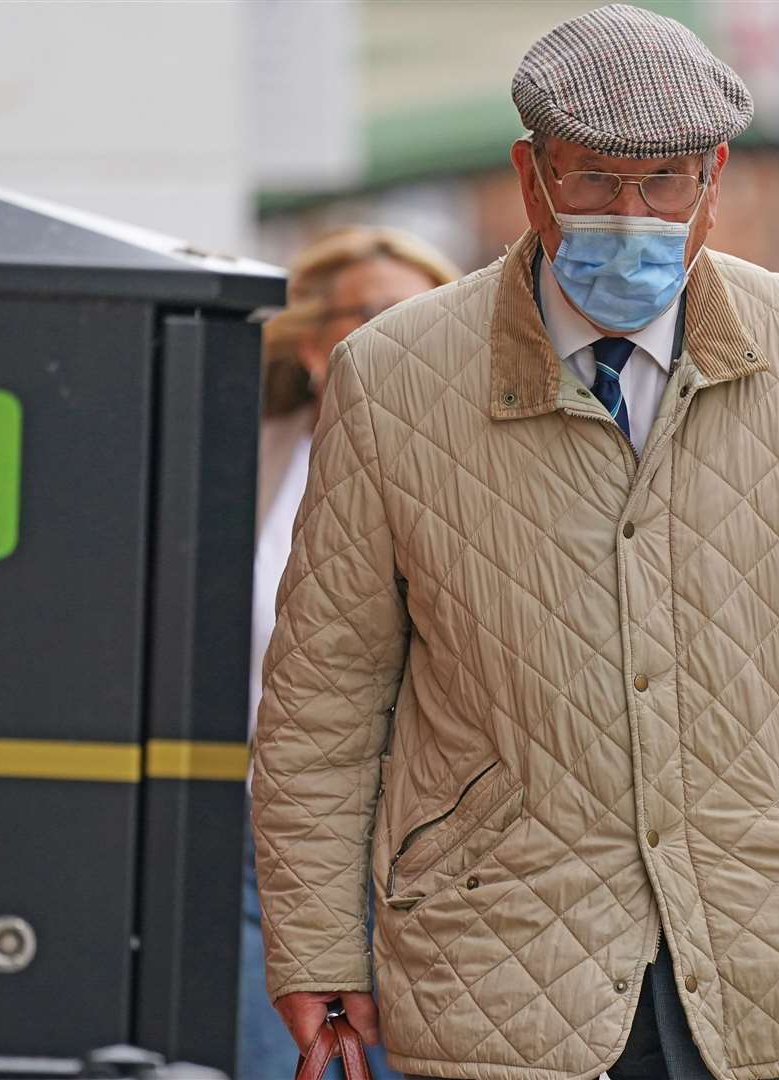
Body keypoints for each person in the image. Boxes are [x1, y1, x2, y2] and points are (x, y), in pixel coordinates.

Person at [253, 5, 779, 1078]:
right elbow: (328, 684)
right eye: (596, 180)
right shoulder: (393, 374)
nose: (632, 214)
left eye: (664, 182)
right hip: (492, 963)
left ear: (715, 177)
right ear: (531, 176)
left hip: (772, 956)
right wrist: (318, 941)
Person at [241, 226, 459, 1080]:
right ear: (308, 336)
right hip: (269, 844)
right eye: (367, 312)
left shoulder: (476, 458)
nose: (392, 331)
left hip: (433, 856)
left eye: (416, 313)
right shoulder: (254, 454)